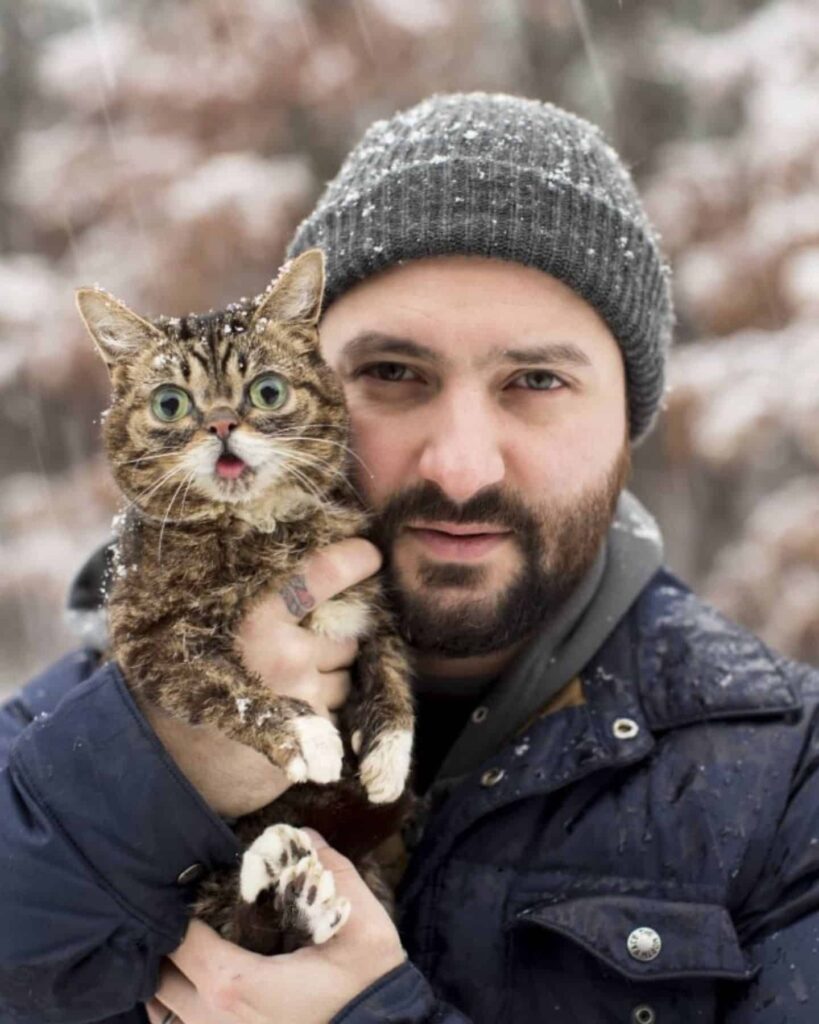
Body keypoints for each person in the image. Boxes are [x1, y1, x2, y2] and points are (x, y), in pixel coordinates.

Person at [2, 92, 818, 1024]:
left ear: (629, 426)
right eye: (393, 375)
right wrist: (150, 769)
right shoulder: (73, 724)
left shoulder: (787, 784)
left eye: (536, 381)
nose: (461, 466)